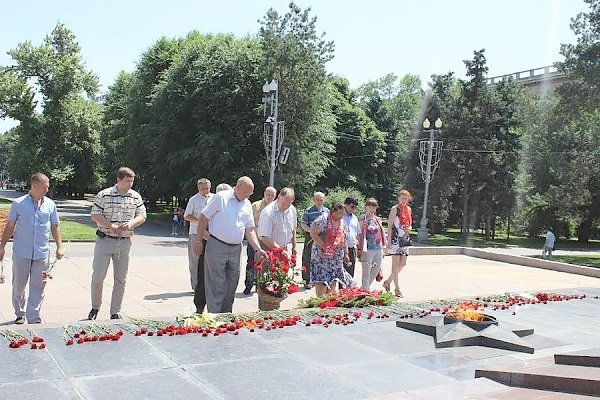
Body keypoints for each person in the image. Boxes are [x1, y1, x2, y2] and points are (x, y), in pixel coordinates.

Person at [193, 176, 267, 313]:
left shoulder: (246, 204)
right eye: (246, 193)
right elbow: (203, 217)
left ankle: (226, 315)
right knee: (216, 283)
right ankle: (214, 317)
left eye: (249, 194)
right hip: (216, 245)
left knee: (232, 282)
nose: (247, 196)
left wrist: (258, 248)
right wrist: (198, 241)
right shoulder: (221, 197)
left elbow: (249, 229)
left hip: (236, 248)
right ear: (238, 186)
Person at [0, 173, 64, 324]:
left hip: (42, 253)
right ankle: (20, 313)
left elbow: (55, 226)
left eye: (47, 187)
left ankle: (34, 317)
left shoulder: (50, 205)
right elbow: (10, 225)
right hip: (22, 252)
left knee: (39, 286)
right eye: (44, 187)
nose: (47, 190)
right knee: (19, 286)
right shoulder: (19, 203)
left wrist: (60, 246)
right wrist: (2, 246)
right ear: (34, 186)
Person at [88, 167, 147, 320]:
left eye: (132, 181)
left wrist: (131, 224)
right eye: (127, 181)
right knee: (98, 277)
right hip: (105, 239)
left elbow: (142, 215)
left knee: (121, 278)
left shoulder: (135, 196)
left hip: (124, 241)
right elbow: (95, 214)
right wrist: (110, 226)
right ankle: (95, 307)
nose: (130, 184)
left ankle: (115, 311)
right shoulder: (104, 194)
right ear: (119, 180)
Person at [193, 181, 232, 313]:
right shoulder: (213, 202)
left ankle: (221, 308)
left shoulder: (230, 206)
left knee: (223, 278)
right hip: (208, 244)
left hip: (225, 247)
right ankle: (200, 306)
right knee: (204, 276)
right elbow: (202, 222)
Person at [309, 202, 355, 297]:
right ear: (332, 211)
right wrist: (324, 246)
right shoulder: (323, 220)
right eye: (339, 213)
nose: (341, 216)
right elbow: (313, 233)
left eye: (343, 213)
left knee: (334, 278)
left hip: (336, 258)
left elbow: (344, 239)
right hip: (322, 257)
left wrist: (346, 254)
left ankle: (329, 303)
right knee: (322, 280)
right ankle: (320, 301)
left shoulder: (343, 223)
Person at [243, 186, 276, 295]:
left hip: (268, 241)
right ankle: (248, 285)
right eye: (268, 194)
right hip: (255, 240)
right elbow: (248, 222)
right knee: (251, 262)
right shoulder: (255, 205)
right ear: (264, 194)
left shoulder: (276, 208)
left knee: (266, 264)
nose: (270, 197)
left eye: (272, 195)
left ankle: (262, 286)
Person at [183, 178, 212, 291]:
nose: (205, 191)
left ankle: (208, 285)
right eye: (203, 189)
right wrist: (199, 221)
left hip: (210, 234)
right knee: (195, 261)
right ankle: (196, 287)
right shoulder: (193, 200)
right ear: (198, 188)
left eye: (207, 188)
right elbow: (187, 216)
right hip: (196, 234)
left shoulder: (214, 198)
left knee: (209, 260)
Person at [383, 189, 413, 298]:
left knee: (403, 263)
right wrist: (389, 241)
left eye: (406, 198)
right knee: (395, 264)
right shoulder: (395, 209)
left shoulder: (408, 209)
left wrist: (409, 228)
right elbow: (390, 225)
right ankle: (397, 288)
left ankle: (388, 281)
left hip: (405, 238)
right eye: (402, 198)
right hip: (395, 238)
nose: (404, 200)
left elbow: (410, 223)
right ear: (398, 198)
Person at [300, 192, 329, 288]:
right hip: (310, 236)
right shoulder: (308, 210)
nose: (319, 201)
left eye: (321, 200)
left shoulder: (327, 211)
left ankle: (320, 279)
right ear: (314, 200)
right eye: (317, 199)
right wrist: (311, 232)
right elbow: (303, 224)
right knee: (307, 257)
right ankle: (307, 280)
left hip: (323, 236)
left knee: (322, 257)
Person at [258, 187, 298, 254]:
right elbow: (264, 237)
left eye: (288, 204)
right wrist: (281, 251)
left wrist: (294, 246)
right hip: (268, 249)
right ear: (279, 197)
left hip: (284, 248)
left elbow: (293, 229)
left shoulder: (292, 210)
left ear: (292, 201)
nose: (285, 207)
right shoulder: (268, 212)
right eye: (283, 203)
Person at [357, 198, 386, 290]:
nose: (371, 208)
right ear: (366, 207)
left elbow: (381, 234)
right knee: (366, 269)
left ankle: (364, 288)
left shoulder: (378, 219)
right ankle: (366, 289)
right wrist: (359, 249)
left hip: (378, 247)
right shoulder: (362, 219)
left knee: (376, 268)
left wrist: (384, 247)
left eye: (374, 206)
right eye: (370, 206)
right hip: (367, 248)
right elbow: (359, 234)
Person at [342, 197, 361, 279]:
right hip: (341, 248)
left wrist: (358, 248)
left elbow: (358, 233)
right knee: (341, 273)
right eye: (352, 207)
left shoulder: (355, 218)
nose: (354, 209)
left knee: (350, 273)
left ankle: (348, 291)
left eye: (355, 207)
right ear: (345, 205)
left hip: (352, 247)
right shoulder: (340, 216)